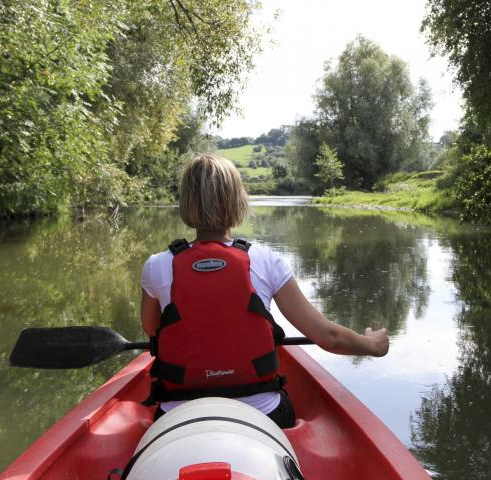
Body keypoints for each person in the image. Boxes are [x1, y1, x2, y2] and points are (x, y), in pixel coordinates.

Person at [140, 154, 389, 429]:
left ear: (186, 202)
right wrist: (372, 345)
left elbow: (153, 330)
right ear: (237, 199)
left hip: (177, 414)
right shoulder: (266, 261)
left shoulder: (157, 265)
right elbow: (328, 337)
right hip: (264, 413)